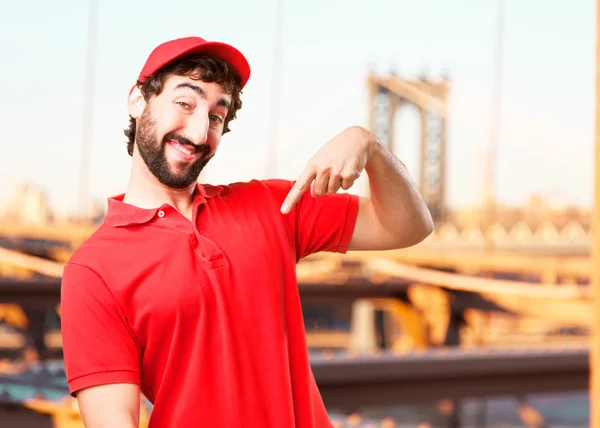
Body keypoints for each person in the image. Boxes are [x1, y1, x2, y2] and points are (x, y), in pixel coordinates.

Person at [60, 36, 434, 428]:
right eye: (185, 103)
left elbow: (410, 226)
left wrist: (367, 144)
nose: (199, 131)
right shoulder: (92, 272)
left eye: (217, 116)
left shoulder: (271, 204)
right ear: (138, 99)